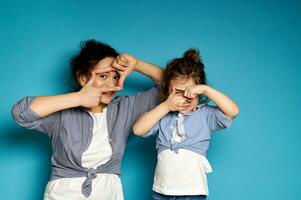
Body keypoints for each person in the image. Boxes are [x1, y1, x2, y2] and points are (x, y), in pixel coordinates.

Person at [11, 39, 164, 200]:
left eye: (115, 77)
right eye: (103, 76)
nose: (111, 84)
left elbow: (174, 86)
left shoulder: (125, 108)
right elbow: (21, 113)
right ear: (83, 78)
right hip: (63, 194)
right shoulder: (63, 112)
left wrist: (138, 64)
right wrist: (77, 98)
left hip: (109, 192)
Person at [133, 49, 239, 200]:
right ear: (168, 90)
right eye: (177, 92)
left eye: (190, 92)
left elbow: (233, 111)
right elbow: (138, 130)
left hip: (192, 191)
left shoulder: (204, 115)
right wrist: (165, 106)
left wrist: (206, 89)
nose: (184, 98)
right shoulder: (163, 113)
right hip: (161, 191)